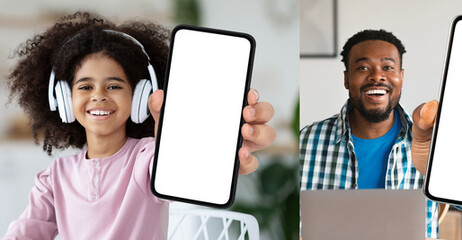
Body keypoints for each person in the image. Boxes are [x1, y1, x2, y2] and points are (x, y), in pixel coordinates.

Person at [3, 12, 275, 239]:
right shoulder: (55, 177)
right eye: (85, 86)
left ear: (139, 97)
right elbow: (26, 232)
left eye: (114, 85)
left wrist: (210, 148)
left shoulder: (146, 158)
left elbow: (182, 166)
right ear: (62, 99)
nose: (99, 95)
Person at [297, 29, 462, 239]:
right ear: (346, 78)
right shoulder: (306, 142)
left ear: (401, 76)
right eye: (363, 68)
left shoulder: (435, 144)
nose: (377, 77)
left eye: (388, 67)